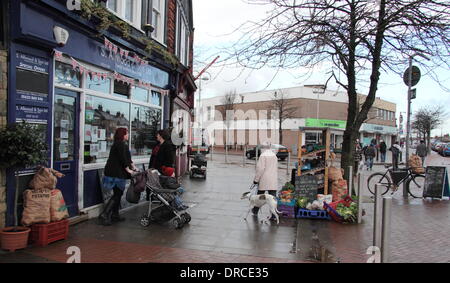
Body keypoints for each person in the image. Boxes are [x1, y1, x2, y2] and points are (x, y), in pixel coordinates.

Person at [99, 128, 136, 226]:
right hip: (115, 173)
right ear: (122, 134)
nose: (128, 135)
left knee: (118, 193)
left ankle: (115, 215)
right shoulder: (119, 144)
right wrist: (128, 169)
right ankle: (105, 214)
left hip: (116, 172)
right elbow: (122, 158)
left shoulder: (121, 144)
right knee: (118, 193)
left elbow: (127, 158)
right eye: (126, 133)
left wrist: (133, 166)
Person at [252, 142, 279, 220]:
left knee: (259, 197)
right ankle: (273, 215)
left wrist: (256, 180)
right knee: (272, 198)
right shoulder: (274, 155)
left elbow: (260, 169)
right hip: (273, 179)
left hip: (264, 178)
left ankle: (255, 211)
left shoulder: (263, 155)